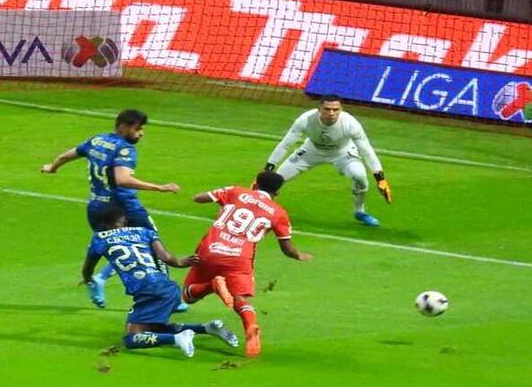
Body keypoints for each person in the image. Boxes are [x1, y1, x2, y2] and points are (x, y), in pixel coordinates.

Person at [41, 109, 181, 309]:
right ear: (123, 127)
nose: (141, 133)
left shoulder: (97, 140)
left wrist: (52, 168)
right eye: (138, 129)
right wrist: (160, 188)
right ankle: (170, 300)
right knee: (152, 246)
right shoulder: (125, 150)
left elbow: (66, 156)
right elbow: (122, 180)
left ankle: (97, 279)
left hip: (97, 207)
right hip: (125, 207)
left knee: (113, 247)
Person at [182, 171, 311, 358]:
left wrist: (229, 197)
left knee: (188, 296)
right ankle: (250, 327)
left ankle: (212, 286)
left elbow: (199, 198)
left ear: (255, 183)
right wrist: (299, 255)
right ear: (277, 192)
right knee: (240, 299)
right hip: (239, 259)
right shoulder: (279, 213)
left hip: (210, 249)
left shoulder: (236, 192)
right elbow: (287, 249)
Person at [81, 207, 239, 358]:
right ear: (124, 220)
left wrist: (89, 280)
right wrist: (181, 262)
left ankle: (178, 338)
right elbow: (165, 257)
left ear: (102, 224)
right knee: (153, 328)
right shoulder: (144, 232)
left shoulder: (99, 239)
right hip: (169, 288)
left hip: (147, 291)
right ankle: (207, 328)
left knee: (131, 339)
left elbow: (88, 268)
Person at [265, 95, 392, 227]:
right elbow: (286, 144)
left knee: (360, 176)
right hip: (311, 151)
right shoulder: (305, 120)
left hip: (342, 154)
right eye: (327, 109)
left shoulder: (351, 124)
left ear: (341, 109)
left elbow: (366, 150)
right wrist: (269, 168)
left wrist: (380, 178)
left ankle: (360, 212)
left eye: (335, 110)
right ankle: (261, 208)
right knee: (275, 180)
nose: (331, 113)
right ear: (319, 109)